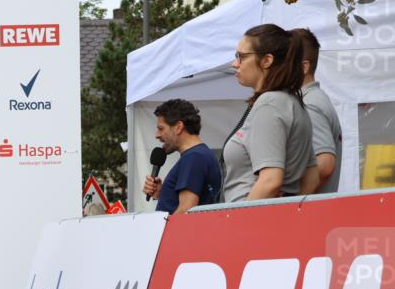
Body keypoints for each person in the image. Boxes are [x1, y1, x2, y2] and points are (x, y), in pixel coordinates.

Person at [223, 24, 318, 202]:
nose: (234, 64)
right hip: (273, 218)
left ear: (267, 60)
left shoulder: (269, 104)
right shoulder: (293, 102)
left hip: (250, 221)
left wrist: (240, 222)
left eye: (241, 56)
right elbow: (312, 177)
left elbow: (270, 181)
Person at [141, 99, 222, 215]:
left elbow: (186, 210)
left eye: (161, 128)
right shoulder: (199, 155)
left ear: (178, 127)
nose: (157, 135)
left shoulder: (194, 158)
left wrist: (162, 232)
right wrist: (163, 193)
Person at [292, 27, 343, 194]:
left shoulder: (309, 104)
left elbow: (325, 165)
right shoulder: (313, 100)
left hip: (306, 214)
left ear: (304, 67)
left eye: (283, 61)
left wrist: (290, 203)